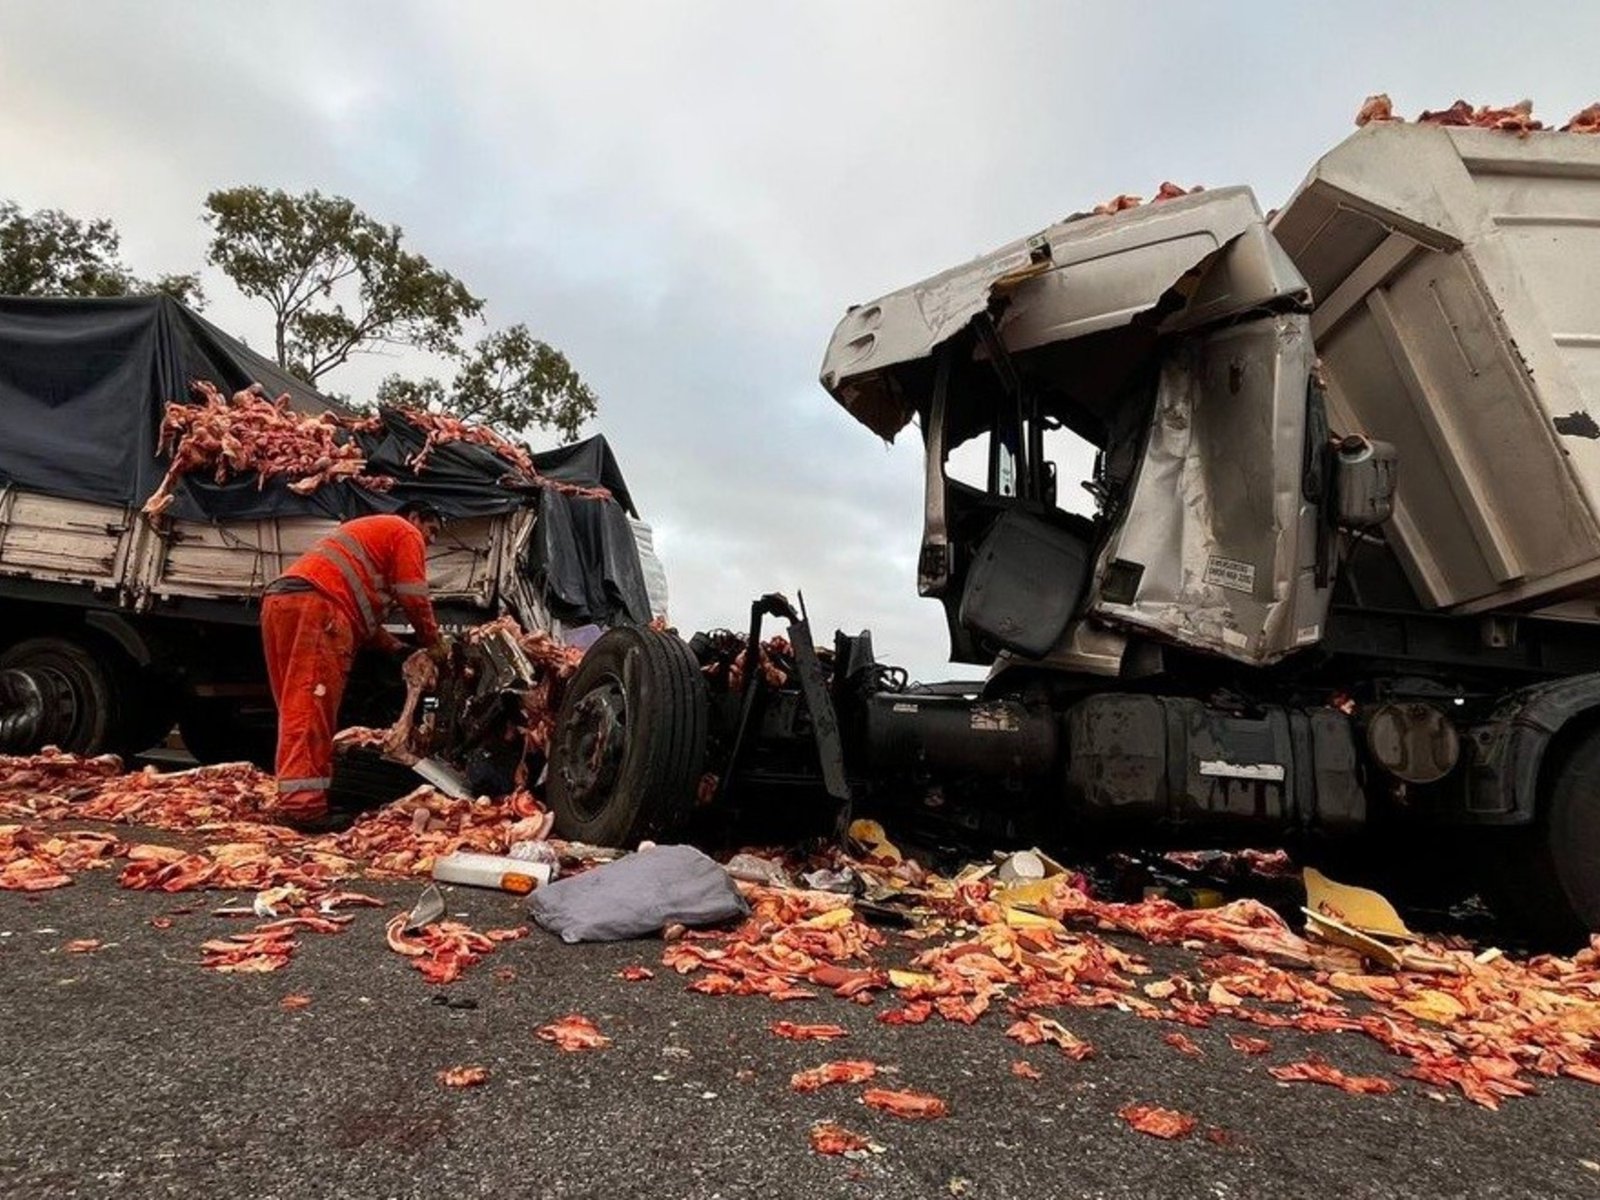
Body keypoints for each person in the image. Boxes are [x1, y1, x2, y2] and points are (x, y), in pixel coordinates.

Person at [259, 501, 449, 826]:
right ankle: (303, 809)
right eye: (431, 530)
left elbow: (366, 624)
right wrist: (433, 644)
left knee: (296, 706)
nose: (429, 540)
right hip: (318, 609)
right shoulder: (404, 531)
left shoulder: (372, 539)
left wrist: (398, 649)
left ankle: (301, 800)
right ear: (415, 517)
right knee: (309, 708)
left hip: (283, 602)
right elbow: (414, 597)